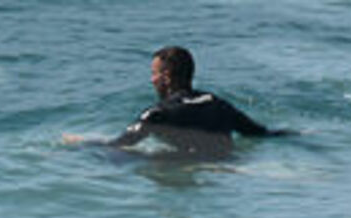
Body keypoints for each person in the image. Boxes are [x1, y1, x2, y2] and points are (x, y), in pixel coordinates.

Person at [64, 46, 276, 157]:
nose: (151, 80)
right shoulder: (219, 104)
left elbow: (119, 145)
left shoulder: (159, 114)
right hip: (227, 163)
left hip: (188, 165)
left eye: (153, 73)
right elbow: (260, 133)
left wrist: (82, 143)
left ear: (166, 77)